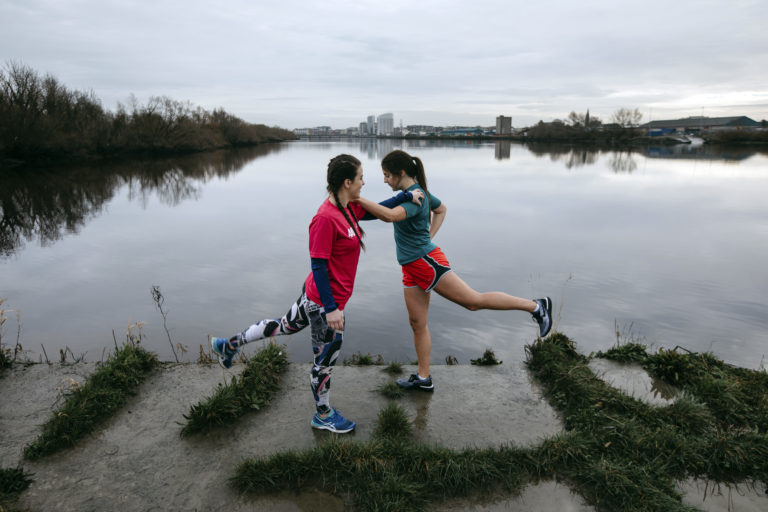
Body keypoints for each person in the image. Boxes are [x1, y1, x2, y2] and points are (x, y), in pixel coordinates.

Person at [210, 154, 422, 433]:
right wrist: (332, 309)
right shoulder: (324, 218)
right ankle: (323, 415)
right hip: (324, 304)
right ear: (347, 182)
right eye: (360, 178)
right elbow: (318, 266)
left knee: (283, 326)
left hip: (315, 297)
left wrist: (407, 197)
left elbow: (377, 211)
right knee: (325, 360)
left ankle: (229, 344)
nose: (364, 182)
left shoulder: (347, 207)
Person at [353, 149, 552, 392]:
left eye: (386, 175)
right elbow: (442, 209)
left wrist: (357, 198)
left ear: (400, 173)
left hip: (426, 263)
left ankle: (536, 306)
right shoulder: (417, 193)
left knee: (473, 301)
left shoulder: (415, 199)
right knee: (417, 323)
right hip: (411, 267)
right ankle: (424, 377)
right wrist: (429, 235)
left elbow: (390, 216)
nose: (384, 180)